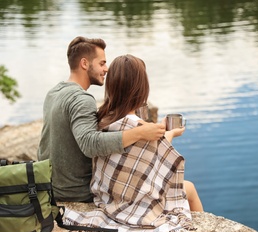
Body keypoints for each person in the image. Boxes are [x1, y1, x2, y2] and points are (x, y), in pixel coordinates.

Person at [37, 36, 166, 202]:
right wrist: (140, 132)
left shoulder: (54, 93)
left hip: (49, 186)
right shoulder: (82, 99)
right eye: (102, 63)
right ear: (85, 64)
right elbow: (90, 144)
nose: (106, 69)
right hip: (75, 193)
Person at [93, 54, 203, 213]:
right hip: (136, 202)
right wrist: (170, 133)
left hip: (107, 197)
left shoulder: (103, 118)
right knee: (190, 188)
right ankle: (199, 231)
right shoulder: (142, 129)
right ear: (141, 88)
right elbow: (158, 159)